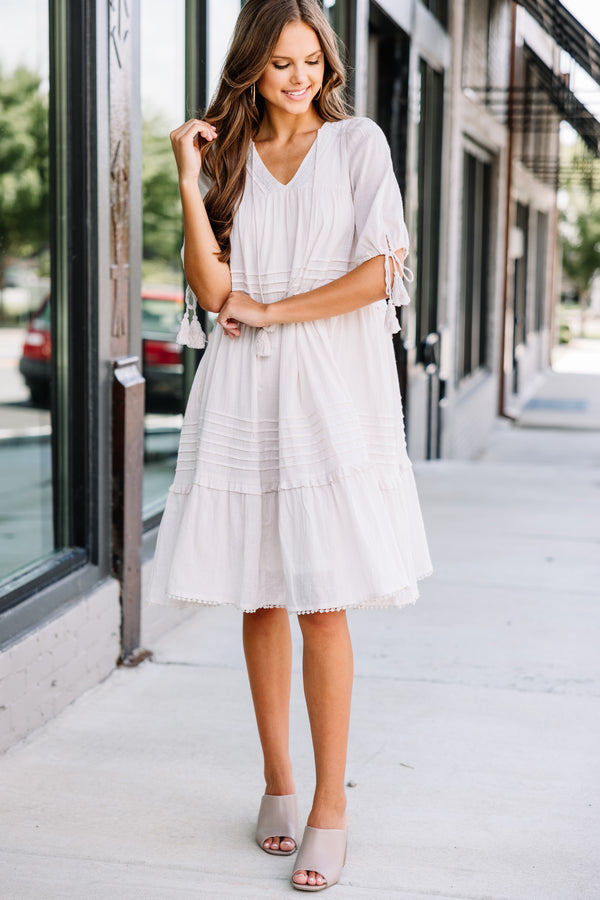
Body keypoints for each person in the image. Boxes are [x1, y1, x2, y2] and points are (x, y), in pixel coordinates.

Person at [149, 0, 432, 890]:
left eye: (311, 61)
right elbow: (211, 285)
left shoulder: (358, 147)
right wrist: (189, 180)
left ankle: (329, 807)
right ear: (251, 69)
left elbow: (379, 272)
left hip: (328, 389)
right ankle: (277, 781)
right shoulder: (229, 158)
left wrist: (270, 311)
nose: (299, 77)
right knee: (259, 597)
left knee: (321, 599)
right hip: (243, 390)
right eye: (281, 64)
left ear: (328, 66)